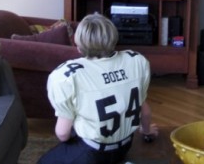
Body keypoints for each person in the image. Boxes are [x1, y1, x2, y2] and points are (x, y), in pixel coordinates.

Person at [38, 13, 158, 164]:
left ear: (79, 46)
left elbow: (62, 134)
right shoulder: (137, 61)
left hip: (92, 152)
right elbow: (144, 110)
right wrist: (147, 131)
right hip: (124, 146)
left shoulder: (66, 75)